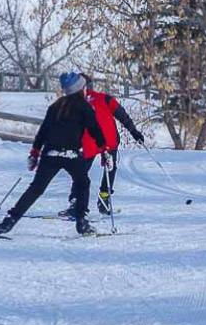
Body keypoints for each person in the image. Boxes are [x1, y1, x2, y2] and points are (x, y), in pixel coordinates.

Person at [0, 72, 107, 237]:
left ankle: (9, 221)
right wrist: (104, 148)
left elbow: (43, 131)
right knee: (82, 184)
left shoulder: (56, 106)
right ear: (80, 89)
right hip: (72, 155)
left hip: (50, 154)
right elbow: (95, 130)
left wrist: (35, 153)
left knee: (36, 189)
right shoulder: (85, 107)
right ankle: (82, 222)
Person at [59, 73, 144, 217]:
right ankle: (104, 199)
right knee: (110, 169)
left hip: (88, 142)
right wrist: (133, 131)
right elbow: (122, 115)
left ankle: (76, 203)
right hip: (108, 140)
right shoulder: (105, 98)